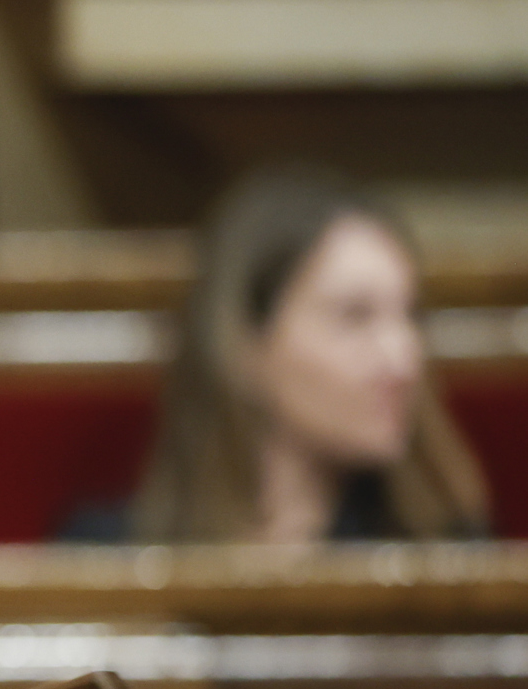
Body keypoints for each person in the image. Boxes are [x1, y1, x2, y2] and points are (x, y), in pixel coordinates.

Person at [72, 164, 489, 543]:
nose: (404, 359)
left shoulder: (448, 555)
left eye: (411, 317)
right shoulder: (104, 555)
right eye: (355, 317)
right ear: (243, 341)